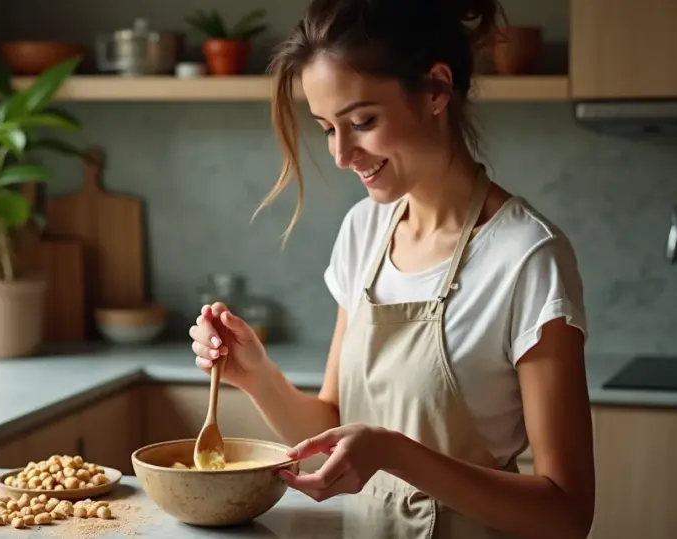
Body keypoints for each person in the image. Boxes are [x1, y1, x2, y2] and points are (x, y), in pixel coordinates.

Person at [188, 0, 595, 537]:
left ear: (435, 90)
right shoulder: (364, 231)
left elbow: (566, 513)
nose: (340, 154)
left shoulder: (526, 256)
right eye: (327, 128)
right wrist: (256, 376)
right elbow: (333, 428)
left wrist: (394, 453)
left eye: (361, 121)